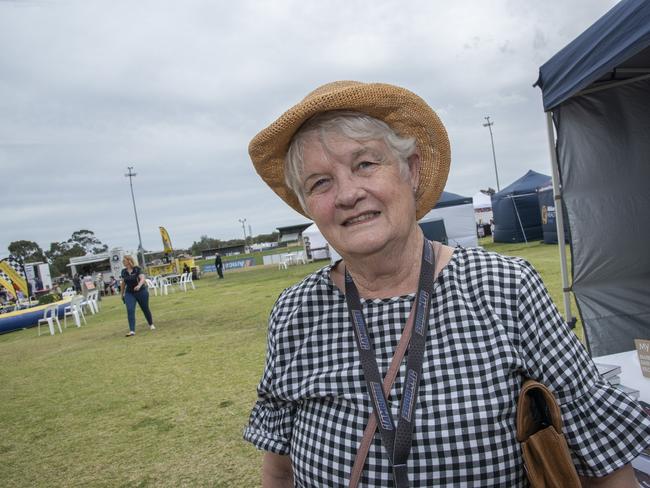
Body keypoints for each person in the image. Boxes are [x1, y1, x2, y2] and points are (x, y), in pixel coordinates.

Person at [243, 81, 649, 487]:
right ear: (309, 205)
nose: (348, 194)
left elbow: (604, 464)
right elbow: (280, 471)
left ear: (412, 170)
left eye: (365, 164)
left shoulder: (507, 289)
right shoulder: (295, 312)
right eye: (320, 183)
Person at [120, 255, 155, 337]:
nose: (123, 262)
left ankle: (151, 324)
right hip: (129, 293)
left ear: (129, 261)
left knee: (145, 308)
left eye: (124, 260)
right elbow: (123, 283)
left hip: (141, 291)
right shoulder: (123, 271)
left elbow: (142, 278)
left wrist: (139, 285)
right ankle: (132, 330)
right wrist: (122, 294)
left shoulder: (137, 269)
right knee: (130, 309)